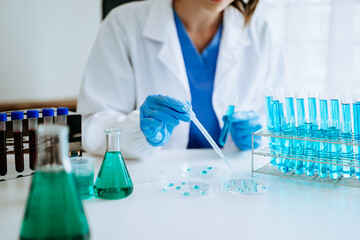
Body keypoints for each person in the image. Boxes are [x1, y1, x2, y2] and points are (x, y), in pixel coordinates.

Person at [77, 0, 284, 159]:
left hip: (231, 185)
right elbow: (92, 125)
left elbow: (280, 123)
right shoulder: (123, 24)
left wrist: (259, 135)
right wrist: (139, 132)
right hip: (153, 186)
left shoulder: (261, 34)